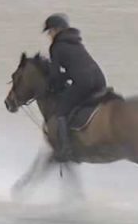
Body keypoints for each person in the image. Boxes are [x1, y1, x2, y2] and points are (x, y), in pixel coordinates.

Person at [43, 13, 107, 160]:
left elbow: (55, 75)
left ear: (57, 30)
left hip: (83, 83)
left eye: (50, 31)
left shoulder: (56, 47)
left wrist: (53, 87)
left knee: (61, 111)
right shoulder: (76, 42)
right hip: (100, 80)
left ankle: (65, 150)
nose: (49, 35)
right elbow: (77, 67)